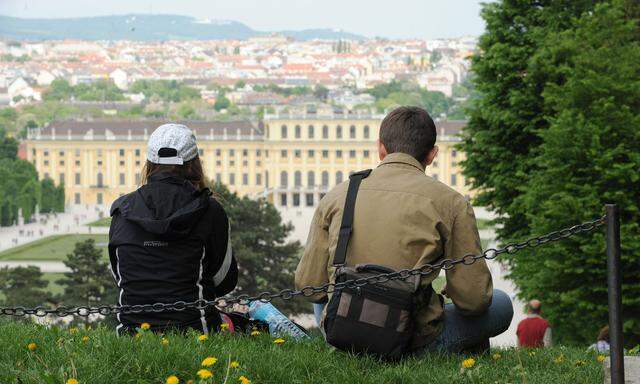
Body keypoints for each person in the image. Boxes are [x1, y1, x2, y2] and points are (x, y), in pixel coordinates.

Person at [295, 106, 513, 354]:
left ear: (381, 148)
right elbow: (473, 302)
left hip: (345, 330)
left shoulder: (338, 194)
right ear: (432, 155)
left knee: (327, 296)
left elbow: (309, 286)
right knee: (502, 304)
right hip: (410, 337)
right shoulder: (452, 203)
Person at [108, 123, 238, 335]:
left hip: (132, 334)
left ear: (149, 163)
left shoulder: (122, 211)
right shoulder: (210, 210)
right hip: (196, 330)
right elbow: (224, 280)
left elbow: (120, 276)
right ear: (193, 164)